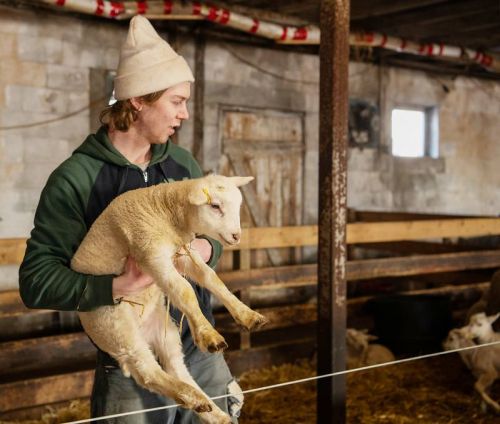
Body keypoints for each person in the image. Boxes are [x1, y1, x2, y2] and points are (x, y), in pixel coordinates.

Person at [19, 15, 241, 424]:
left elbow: (213, 239)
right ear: (138, 100)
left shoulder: (182, 164)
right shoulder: (77, 178)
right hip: (132, 357)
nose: (185, 114)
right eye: (177, 101)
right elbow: (36, 281)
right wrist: (121, 283)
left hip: (199, 347)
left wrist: (207, 249)